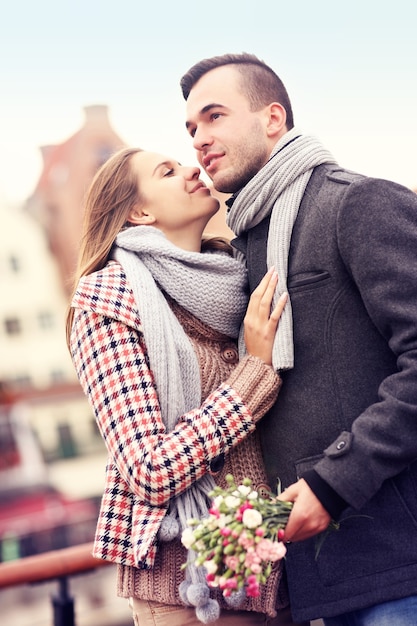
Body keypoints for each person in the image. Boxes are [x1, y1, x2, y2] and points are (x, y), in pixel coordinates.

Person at [180, 53, 417, 626]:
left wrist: (334, 482)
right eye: (190, 129)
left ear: (273, 118)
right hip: (318, 577)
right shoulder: (240, 250)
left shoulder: (355, 203)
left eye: (214, 117)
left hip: (398, 562)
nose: (199, 140)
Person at [65, 146, 308, 626]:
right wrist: (253, 374)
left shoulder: (240, 279)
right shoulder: (107, 302)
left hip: (280, 572)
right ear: (140, 211)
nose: (191, 168)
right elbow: (149, 469)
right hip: (189, 594)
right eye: (168, 171)